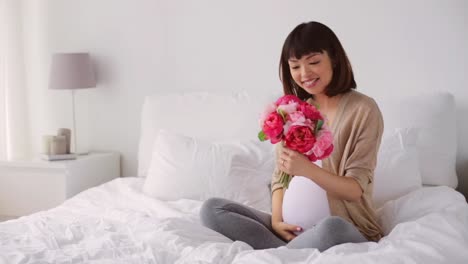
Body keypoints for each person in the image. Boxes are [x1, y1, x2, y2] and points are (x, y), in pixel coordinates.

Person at [200, 21, 384, 251]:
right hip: (288, 233)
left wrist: (306, 169)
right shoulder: (293, 111)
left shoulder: (363, 110)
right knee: (212, 209)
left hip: (343, 227)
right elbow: (279, 177)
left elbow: (355, 189)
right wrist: (277, 221)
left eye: (314, 62)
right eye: (295, 66)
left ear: (334, 59)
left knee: (330, 228)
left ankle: (280, 253)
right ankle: (287, 250)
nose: (304, 73)